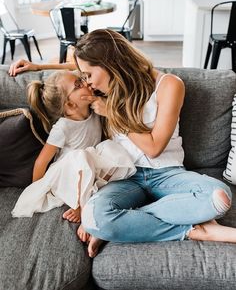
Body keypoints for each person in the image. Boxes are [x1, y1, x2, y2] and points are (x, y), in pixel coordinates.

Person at [9, 29, 236, 259]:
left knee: (218, 197)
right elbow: (73, 75)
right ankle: (191, 229)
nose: (87, 82)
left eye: (88, 75)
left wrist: (113, 114)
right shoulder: (106, 88)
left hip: (167, 174)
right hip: (123, 177)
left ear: (110, 64)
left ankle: (128, 220)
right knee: (94, 217)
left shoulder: (169, 85)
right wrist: (37, 67)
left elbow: (154, 147)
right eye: (83, 77)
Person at [11, 69, 136, 247]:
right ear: (70, 105)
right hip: (68, 174)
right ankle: (82, 209)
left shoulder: (96, 110)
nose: (86, 83)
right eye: (78, 85)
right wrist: (38, 188)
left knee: (112, 149)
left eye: (82, 79)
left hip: (90, 168)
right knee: (80, 156)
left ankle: (94, 196)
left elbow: (83, 63)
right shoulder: (63, 127)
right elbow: (42, 161)